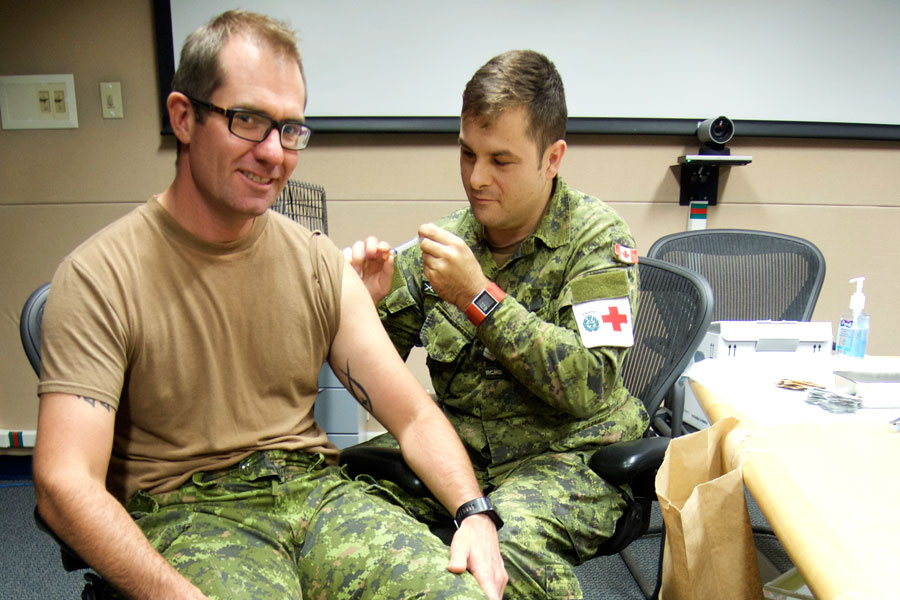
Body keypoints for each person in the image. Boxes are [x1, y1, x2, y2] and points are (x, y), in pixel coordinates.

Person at [32, 10, 506, 600]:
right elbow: (62, 483)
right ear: (184, 117)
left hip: (314, 493)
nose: (274, 152)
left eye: (291, 129)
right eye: (248, 120)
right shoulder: (101, 276)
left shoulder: (315, 262)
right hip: (189, 510)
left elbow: (410, 414)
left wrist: (475, 513)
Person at [345, 50, 649, 599]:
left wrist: (478, 298)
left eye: (501, 161)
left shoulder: (600, 241)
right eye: (467, 154)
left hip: (567, 459)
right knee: (337, 519)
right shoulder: (446, 243)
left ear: (551, 158)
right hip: (463, 459)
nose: (476, 178)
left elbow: (588, 381)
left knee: (498, 564)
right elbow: (374, 375)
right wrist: (363, 308)